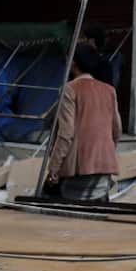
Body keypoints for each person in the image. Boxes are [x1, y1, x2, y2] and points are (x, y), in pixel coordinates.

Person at [46, 46, 122, 202]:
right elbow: (117, 130)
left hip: (79, 169)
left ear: (73, 63)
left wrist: (53, 168)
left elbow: (66, 133)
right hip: (104, 167)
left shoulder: (69, 89)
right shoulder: (109, 90)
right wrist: (106, 152)